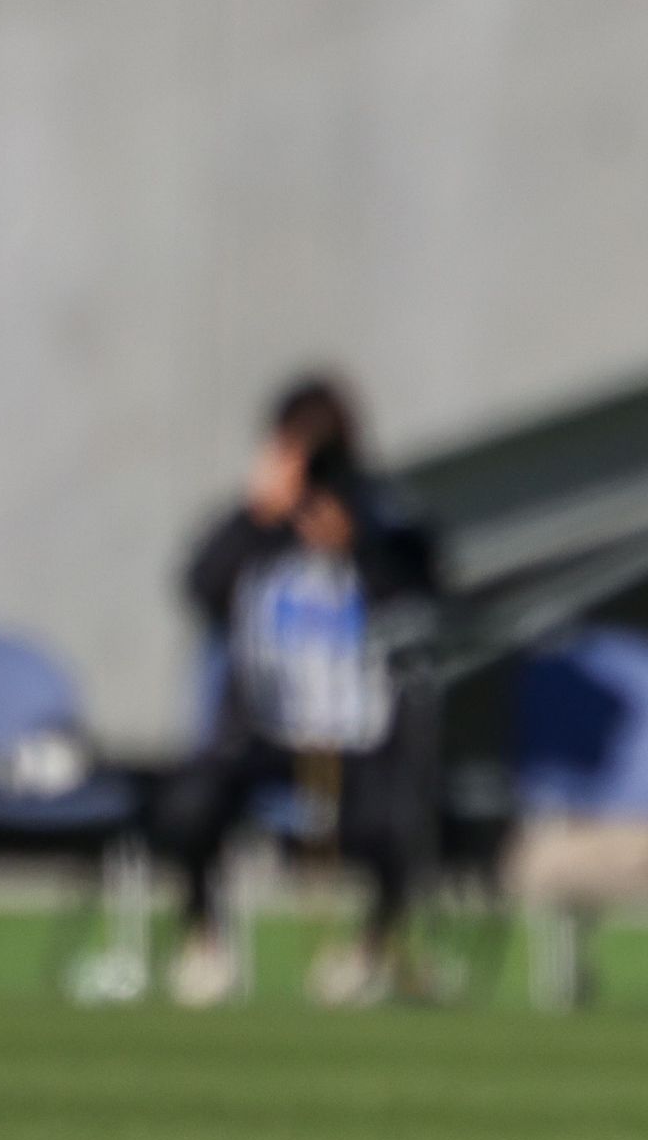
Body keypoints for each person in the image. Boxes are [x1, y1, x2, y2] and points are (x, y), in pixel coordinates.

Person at [162, 379, 440, 1007]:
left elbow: (424, 597)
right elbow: (199, 587)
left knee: (400, 818)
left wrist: (358, 545)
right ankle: (205, 943)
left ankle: (366, 952)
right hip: (264, 726)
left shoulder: (377, 515)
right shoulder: (259, 523)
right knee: (191, 803)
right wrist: (257, 514)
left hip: (357, 728)